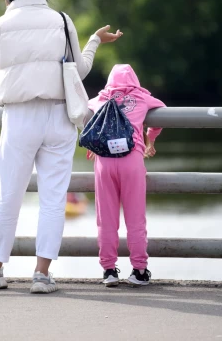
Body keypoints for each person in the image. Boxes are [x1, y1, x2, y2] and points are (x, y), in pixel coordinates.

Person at [0, 0, 122, 294]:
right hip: (59, 115)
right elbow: (78, 70)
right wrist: (93, 41)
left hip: (20, 116)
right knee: (53, 198)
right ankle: (42, 274)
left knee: (9, 195)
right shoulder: (62, 21)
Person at [86, 64, 166, 287]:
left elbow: (83, 116)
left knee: (106, 220)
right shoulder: (142, 97)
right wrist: (151, 138)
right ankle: (139, 271)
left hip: (104, 161)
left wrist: (93, 144)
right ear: (134, 80)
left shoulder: (100, 98)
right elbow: (161, 113)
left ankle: (109, 271)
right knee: (136, 219)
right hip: (132, 160)